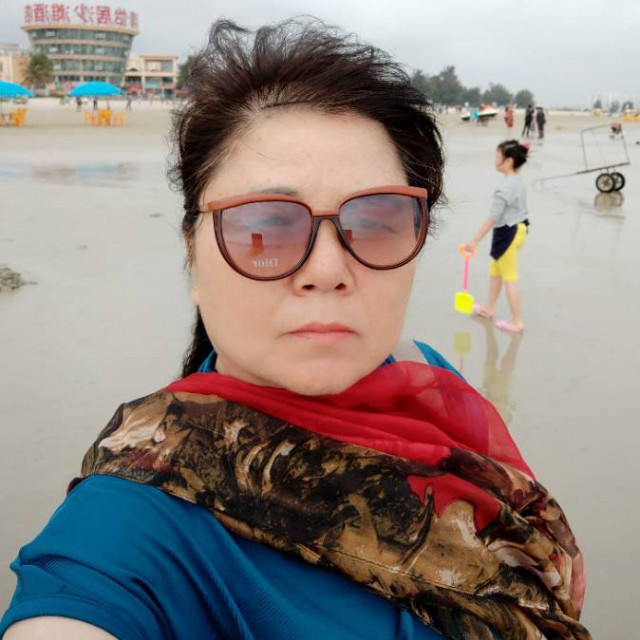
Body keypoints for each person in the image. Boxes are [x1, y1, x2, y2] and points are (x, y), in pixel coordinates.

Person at [1, 20, 590, 640]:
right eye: (264, 227)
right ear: (192, 256)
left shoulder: (423, 374)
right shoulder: (127, 530)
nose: (328, 270)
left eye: (376, 221)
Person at [464, 140, 530, 333]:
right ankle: (489, 308)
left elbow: (493, 217)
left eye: (497, 156)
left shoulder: (505, 188)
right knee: (496, 270)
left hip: (509, 232)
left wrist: (474, 241)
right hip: (515, 228)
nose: (495, 160)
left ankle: (517, 322)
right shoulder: (517, 181)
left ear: (508, 161)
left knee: (509, 277)